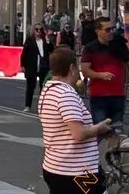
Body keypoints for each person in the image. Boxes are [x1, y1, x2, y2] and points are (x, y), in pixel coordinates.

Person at [38, 46, 110, 194]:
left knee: (100, 187)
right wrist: (99, 128)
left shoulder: (48, 90)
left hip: (57, 166)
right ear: (72, 68)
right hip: (74, 171)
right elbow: (78, 134)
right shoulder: (66, 95)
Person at [80, 16, 129, 134]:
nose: (111, 32)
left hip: (118, 95)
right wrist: (100, 75)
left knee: (117, 131)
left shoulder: (119, 44)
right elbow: (85, 70)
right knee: (101, 131)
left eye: (112, 29)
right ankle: (101, 152)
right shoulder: (90, 48)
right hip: (99, 96)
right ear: (97, 31)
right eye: (107, 30)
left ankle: (113, 152)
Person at [21, 23, 51, 112]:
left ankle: (42, 107)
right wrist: (22, 65)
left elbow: (52, 50)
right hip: (32, 66)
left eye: (40, 29)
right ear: (33, 31)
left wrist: (48, 41)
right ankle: (27, 105)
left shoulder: (44, 41)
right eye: (36, 29)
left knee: (44, 87)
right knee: (30, 87)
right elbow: (24, 53)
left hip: (43, 66)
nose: (38, 31)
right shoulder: (30, 40)